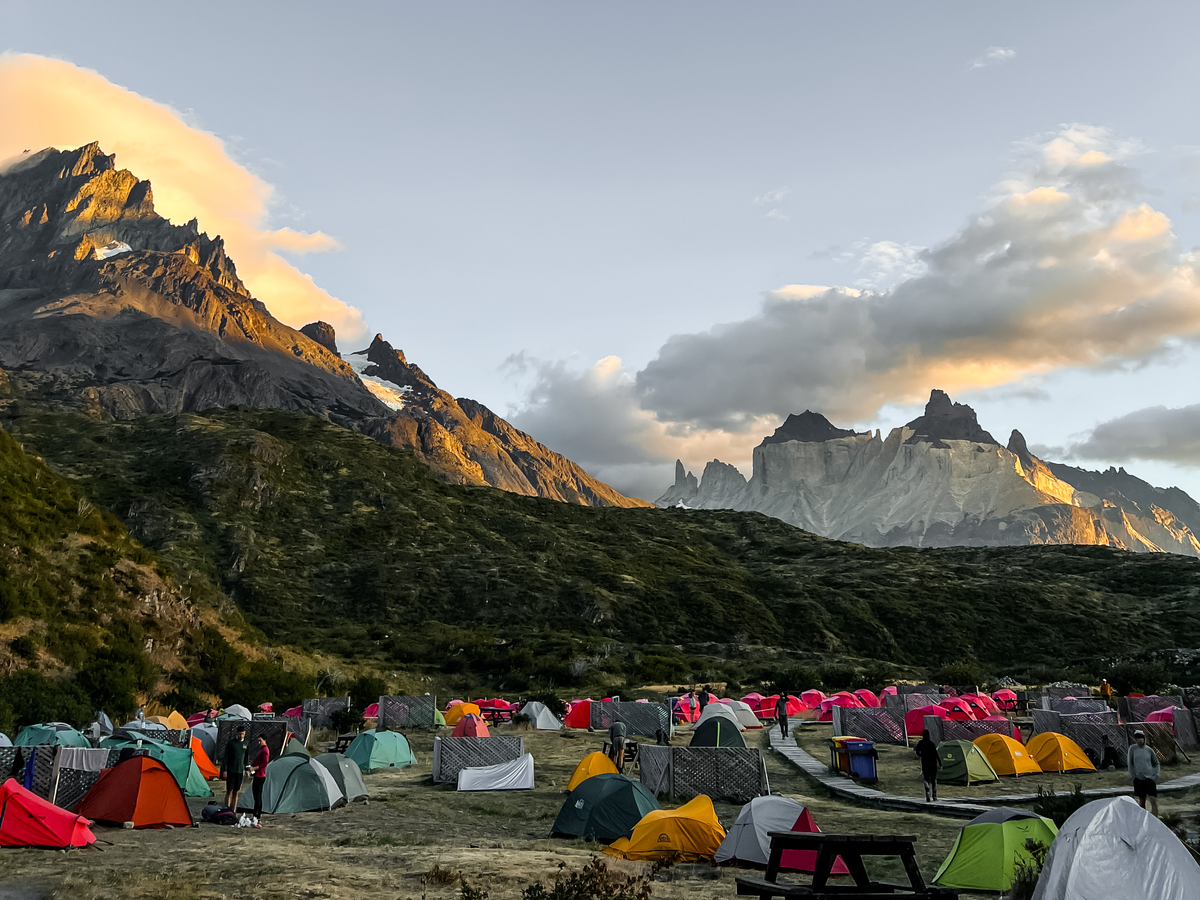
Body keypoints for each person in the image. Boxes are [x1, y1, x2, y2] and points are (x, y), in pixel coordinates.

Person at [1127, 729, 1160, 816]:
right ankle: (1142, 820)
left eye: (1141, 737)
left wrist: (1155, 775)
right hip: (1138, 778)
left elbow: (1156, 763)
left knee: (1153, 799)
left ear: (1144, 738)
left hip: (1149, 778)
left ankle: (1155, 819)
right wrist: (1133, 775)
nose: (1140, 740)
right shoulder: (1132, 749)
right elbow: (1130, 763)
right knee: (1142, 801)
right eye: (1138, 738)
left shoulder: (1149, 750)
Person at [223, 725, 249, 811]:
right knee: (229, 790)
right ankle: (227, 808)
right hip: (231, 770)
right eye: (241, 734)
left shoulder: (246, 743)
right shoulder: (231, 743)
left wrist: (247, 769)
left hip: (239, 771)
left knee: (236, 791)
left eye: (243, 734)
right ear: (237, 733)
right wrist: (225, 769)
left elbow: (246, 758)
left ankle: (234, 810)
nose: (242, 736)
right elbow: (225, 757)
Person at [248, 735, 270, 826]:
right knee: (256, 796)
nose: (259, 742)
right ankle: (256, 815)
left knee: (257, 796)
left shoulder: (265, 751)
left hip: (260, 775)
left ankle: (257, 815)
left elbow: (264, 763)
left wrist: (254, 768)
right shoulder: (262, 750)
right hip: (258, 775)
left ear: (265, 740)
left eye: (260, 740)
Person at [914, 729, 941, 802]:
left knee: (926, 779)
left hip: (925, 763)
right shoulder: (931, 743)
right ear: (928, 735)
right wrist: (940, 762)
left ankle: (927, 794)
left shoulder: (920, 743)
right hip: (933, 763)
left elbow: (917, 752)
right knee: (933, 779)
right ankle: (934, 795)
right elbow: (936, 753)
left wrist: (922, 755)